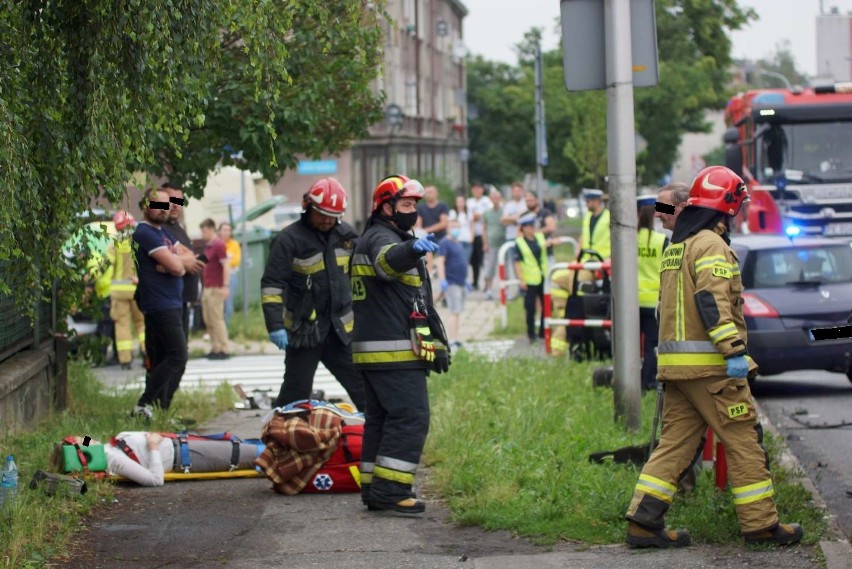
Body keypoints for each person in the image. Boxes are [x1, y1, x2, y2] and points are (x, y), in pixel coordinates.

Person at [625, 166, 803, 548]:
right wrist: (734, 351)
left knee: (674, 445)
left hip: (676, 368)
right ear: (728, 204)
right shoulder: (711, 245)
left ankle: (644, 520)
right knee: (743, 441)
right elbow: (713, 302)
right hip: (713, 370)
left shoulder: (678, 248)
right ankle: (760, 524)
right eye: (738, 202)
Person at [351, 174, 448, 515]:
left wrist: (435, 343)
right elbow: (385, 263)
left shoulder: (383, 235)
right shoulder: (381, 238)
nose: (412, 212)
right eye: (406, 205)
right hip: (392, 352)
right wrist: (411, 249)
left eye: (414, 206)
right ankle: (391, 491)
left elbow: (414, 303)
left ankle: (374, 489)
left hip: (380, 351)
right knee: (410, 416)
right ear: (386, 207)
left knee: (381, 421)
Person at [261, 178, 366, 410]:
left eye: (333, 216)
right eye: (322, 214)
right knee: (295, 393)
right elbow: (271, 285)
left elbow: (363, 274)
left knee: (363, 387)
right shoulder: (288, 240)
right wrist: (275, 325)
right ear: (308, 206)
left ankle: (378, 438)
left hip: (340, 330)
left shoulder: (347, 236)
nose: (328, 220)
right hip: (304, 331)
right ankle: (281, 439)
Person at [132, 188, 197, 418]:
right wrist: (175, 264)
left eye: (166, 205)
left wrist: (172, 263)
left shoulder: (165, 235)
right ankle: (144, 404)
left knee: (165, 357)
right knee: (178, 355)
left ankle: (160, 411)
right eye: (157, 205)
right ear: (145, 207)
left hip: (172, 302)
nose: (163, 210)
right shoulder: (145, 233)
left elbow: (192, 258)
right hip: (160, 304)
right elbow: (181, 267)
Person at [54, 433, 261, 487]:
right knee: (257, 454)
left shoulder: (105, 449)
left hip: (183, 445)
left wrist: (84, 440)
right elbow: (154, 479)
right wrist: (153, 446)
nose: (86, 440)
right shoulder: (114, 461)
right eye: (82, 443)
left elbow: (95, 441)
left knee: (252, 448)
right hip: (187, 456)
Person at [162, 183, 206, 339]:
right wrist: (186, 261)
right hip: (169, 302)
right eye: (170, 200)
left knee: (181, 352)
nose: (175, 205)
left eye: (178, 201)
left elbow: (189, 256)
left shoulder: (178, 227)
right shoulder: (160, 228)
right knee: (174, 353)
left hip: (182, 301)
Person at [105, 211, 146, 370]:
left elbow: (107, 268)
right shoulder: (140, 242)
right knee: (142, 323)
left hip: (118, 291)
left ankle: (125, 360)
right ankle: (146, 352)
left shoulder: (114, 245)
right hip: (138, 288)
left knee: (122, 324)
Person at [636, 195, 668, 391]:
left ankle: (630, 381)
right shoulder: (662, 240)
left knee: (629, 345)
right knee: (651, 345)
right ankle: (647, 382)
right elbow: (675, 211)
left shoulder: (629, 239)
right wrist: (661, 207)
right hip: (652, 301)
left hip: (631, 301)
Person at [513, 214, 551, 343]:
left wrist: (552, 243)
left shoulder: (539, 237)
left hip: (543, 276)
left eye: (533, 225)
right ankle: (531, 334)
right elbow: (517, 262)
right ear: (523, 228)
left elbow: (545, 246)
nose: (532, 228)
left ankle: (542, 331)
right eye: (529, 226)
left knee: (547, 305)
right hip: (529, 279)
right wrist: (521, 279)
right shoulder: (519, 242)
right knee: (530, 308)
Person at [435, 218, 468, 349]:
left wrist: (466, 280)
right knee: (454, 311)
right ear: (448, 228)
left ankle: (455, 338)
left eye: (458, 227)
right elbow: (440, 261)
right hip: (451, 281)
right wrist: (443, 279)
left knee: (458, 311)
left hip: (460, 281)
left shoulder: (458, 243)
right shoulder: (445, 243)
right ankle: (451, 340)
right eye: (453, 226)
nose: (456, 229)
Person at [200, 218, 230, 359]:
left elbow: (226, 266)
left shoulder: (219, 245)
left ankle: (224, 348)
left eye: (204, 230)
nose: (202, 233)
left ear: (211, 229)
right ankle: (215, 347)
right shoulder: (208, 246)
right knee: (208, 319)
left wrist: (225, 286)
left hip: (216, 288)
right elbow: (204, 262)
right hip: (207, 287)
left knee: (217, 319)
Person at [467, 183, 491, 290]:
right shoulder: (469, 202)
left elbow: (489, 213)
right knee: (474, 261)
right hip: (472, 234)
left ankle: (487, 283)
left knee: (484, 260)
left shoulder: (487, 201)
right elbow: (469, 216)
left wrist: (478, 215)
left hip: (483, 234)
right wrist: (476, 216)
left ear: (482, 190)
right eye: (475, 189)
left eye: (479, 189)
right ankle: (475, 281)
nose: (477, 191)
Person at [481, 187, 504, 300]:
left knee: (505, 268)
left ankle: (506, 290)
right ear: (490, 199)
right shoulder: (487, 213)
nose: (495, 200)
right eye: (493, 198)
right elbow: (484, 229)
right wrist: (485, 243)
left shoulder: (504, 211)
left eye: (497, 198)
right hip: (491, 243)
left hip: (503, 243)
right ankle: (489, 289)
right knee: (489, 268)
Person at [522, 190, 557, 264]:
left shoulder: (544, 212)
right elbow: (519, 232)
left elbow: (552, 227)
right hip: (529, 254)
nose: (529, 202)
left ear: (536, 200)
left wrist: (534, 232)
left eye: (531, 200)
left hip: (546, 251)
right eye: (527, 201)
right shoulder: (523, 215)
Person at [219, 222, 241, 327]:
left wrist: (223, 261)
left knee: (228, 302)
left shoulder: (234, 244)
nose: (227, 232)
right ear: (220, 231)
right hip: (217, 277)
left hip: (231, 277)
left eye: (229, 230)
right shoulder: (217, 244)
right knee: (218, 303)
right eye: (224, 230)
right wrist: (227, 259)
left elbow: (236, 261)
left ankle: (226, 327)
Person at [579, 188, 610, 262]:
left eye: (588, 201)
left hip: (603, 259)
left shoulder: (609, 216)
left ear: (596, 201)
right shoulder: (587, 216)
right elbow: (583, 235)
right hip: (587, 258)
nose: (586, 204)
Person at [448, 194, 473, 265]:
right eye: (458, 201)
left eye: (462, 201)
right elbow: (449, 226)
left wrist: (472, 237)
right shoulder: (453, 212)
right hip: (457, 239)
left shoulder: (468, 212)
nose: (460, 203)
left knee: (465, 261)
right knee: (457, 261)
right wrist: (451, 237)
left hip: (467, 240)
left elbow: (472, 226)